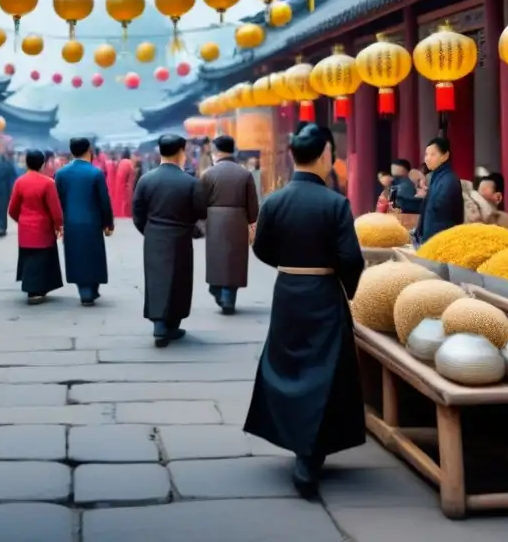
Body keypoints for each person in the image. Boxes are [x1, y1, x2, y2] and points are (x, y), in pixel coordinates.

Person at [244, 122, 366, 498]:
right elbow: (350, 258)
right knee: (324, 368)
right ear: (326, 156)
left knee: (288, 365)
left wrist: (290, 264)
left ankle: (300, 445)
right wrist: (347, 287)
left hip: (289, 290)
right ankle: (310, 454)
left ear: (292, 156)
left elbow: (262, 248)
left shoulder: (276, 201)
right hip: (323, 290)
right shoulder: (335, 203)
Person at [132, 134, 207, 347]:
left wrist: (149, 230)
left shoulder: (146, 180)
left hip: (154, 236)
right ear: (181, 152)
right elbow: (200, 210)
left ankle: (159, 324)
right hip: (181, 236)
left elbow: (137, 212)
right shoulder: (190, 182)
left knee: (156, 280)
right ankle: (172, 324)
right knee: (179, 280)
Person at [196, 135, 259, 315]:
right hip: (238, 219)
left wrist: (201, 223)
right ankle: (228, 296)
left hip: (214, 220)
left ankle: (217, 289)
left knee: (217, 259)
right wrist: (251, 223)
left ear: (216, 151)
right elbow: (252, 205)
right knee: (235, 261)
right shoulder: (245, 174)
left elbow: (200, 201)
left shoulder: (208, 174)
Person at [55, 137, 114, 306]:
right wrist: (108, 223)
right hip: (92, 222)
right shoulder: (95, 173)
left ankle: (85, 290)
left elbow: (57, 201)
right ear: (89, 150)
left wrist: (58, 223)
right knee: (93, 255)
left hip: (71, 222)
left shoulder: (61, 173)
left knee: (76, 256)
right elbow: (104, 200)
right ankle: (91, 289)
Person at [8, 150, 65, 304]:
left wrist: (23, 221)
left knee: (28, 259)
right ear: (43, 164)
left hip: (26, 228)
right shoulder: (48, 183)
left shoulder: (20, 182)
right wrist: (58, 225)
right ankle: (36, 291)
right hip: (43, 228)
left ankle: (31, 288)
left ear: (26, 163)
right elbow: (55, 210)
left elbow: (12, 209)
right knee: (42, 259)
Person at [395, 137, 464, 245]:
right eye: (426, 154)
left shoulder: (448, 180)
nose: (427, 158)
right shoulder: (437, 178)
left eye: (433, 154)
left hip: (440, 243)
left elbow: (438, 214)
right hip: (431, 240)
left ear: (445, 156)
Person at [113, 149, 135, 218]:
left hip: (118, 189)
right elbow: (131, 177)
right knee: (126, 208)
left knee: (120, 207)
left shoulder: (120, 163)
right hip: (126, 190)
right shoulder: (129, 163)